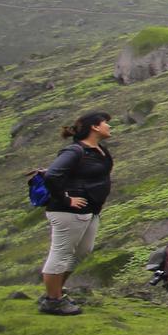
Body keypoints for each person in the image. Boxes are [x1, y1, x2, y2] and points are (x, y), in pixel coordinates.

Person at [38, 112, 114, 316]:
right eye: (106, 123)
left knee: (82, 251)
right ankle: (53, 300)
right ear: (95, 127)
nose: (109, 126)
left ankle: (54, 292)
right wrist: (66, 199)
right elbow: (53, 175)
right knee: (61, 253)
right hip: (68, 211)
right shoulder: (75, 150)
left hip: (90, 211)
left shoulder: (99, 150)